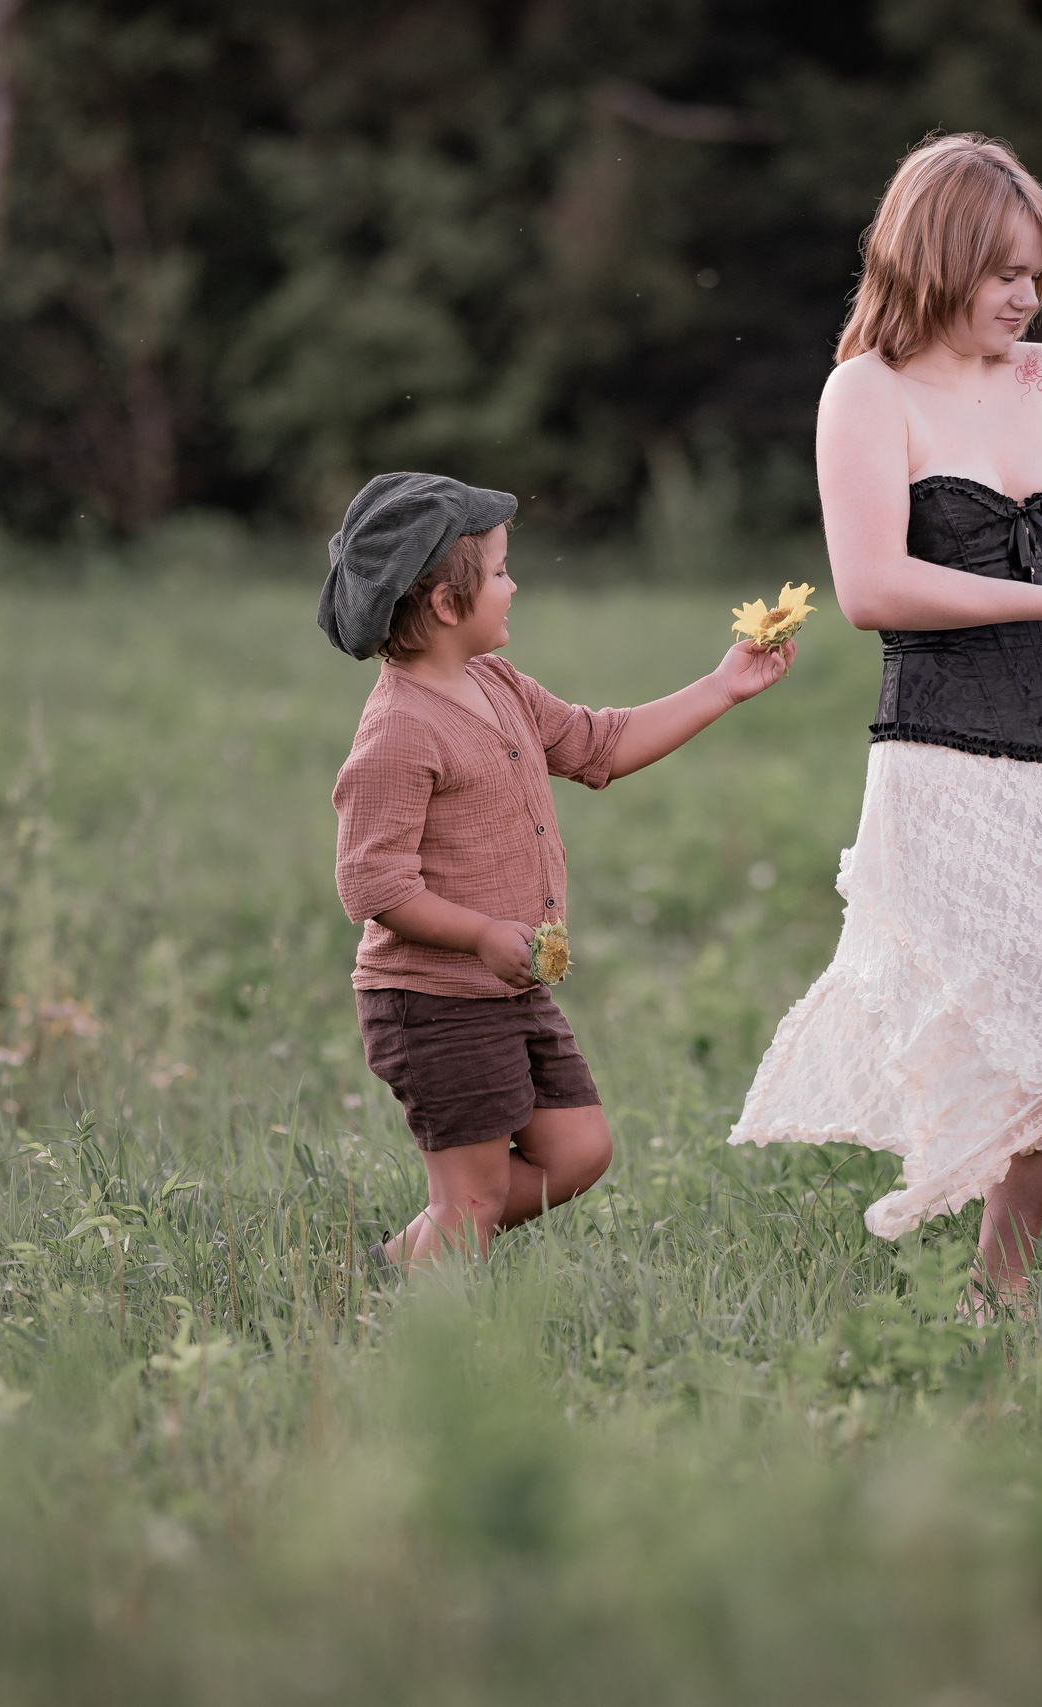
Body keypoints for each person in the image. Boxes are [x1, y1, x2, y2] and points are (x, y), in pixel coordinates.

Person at [729, 133, 1042, 1307]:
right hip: (954, 761)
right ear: (936, 254)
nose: (1025, 297)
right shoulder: (866, 391)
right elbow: (869, 588)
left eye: (1038, 277)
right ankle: (995, 1284)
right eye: (1004, 272)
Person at [323, 472, 796, 1267]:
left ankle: (401, 1258)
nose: (515, 585)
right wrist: (477, 934)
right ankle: (421, 1323)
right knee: (469, 1198)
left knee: (577, 1150)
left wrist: (723, 687)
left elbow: (597, 744)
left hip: (508, 985)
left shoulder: (496, 682)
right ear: (445, 604)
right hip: (433, 1001)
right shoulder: (400, 730)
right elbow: (373, 885)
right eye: (502, 571)